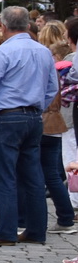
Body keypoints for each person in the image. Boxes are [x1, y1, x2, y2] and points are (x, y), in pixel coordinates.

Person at [0, 6, 59, 246]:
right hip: (33, 117)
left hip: (6, 117)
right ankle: (36, 229)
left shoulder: (4, 51)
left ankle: (5, 231)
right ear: (28, 25)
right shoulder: (43, 51)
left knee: (3, 175)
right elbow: (52, 87)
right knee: (32, 176)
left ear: (3, 26)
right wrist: (36, 105)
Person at [36, 24, 77, 235]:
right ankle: (65, 216)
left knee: (45, 173)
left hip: (46, 123)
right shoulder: (59, 70)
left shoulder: (56, 70)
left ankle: (62, 216)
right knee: (50, 173)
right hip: (53, 123)